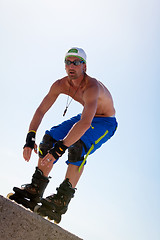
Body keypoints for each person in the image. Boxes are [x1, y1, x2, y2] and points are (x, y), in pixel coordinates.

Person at [13, 47, 118, 221]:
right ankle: (35, 188)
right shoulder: (60, 85)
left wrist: (59, 150)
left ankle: (62, 198)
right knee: (49, 140)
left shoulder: (91, 86)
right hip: (85, 116)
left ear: (84, 66)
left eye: (76, 62)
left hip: (104, 122)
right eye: (68, 61)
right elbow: (40, 110)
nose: (72, 65)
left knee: (77, 145)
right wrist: (30, 138)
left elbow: (85, 124)